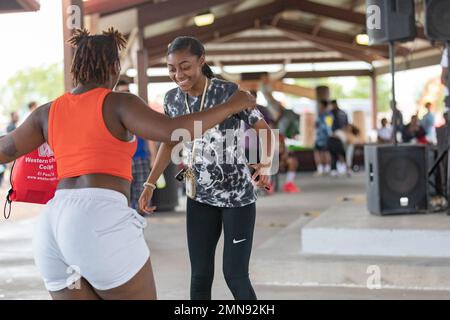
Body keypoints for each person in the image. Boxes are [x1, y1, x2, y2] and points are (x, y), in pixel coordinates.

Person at [0, 28, 255, 300]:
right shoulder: (118, 103)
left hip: (52, 227)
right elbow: (173, 132)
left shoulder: (47, 111)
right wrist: (231, 105)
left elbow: (6, 149)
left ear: (77, 66)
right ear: (113, 66)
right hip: (97, 219)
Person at [138, 36, 273, 300]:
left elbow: (263, 129)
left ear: (202, 61)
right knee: (200, 276)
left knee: (235, 275)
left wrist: (265, 162)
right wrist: (150, 183)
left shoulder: (228, 92)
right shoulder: (172, 99)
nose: (178, 74)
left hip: (237, 198)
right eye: (172, 68)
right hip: (198, 197)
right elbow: (169, 142)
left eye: (185, 66)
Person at [115, 80, 158, 210]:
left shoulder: (138, 109)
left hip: (140, 158)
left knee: (142, 197)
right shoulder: (111, 111)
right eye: (122, 91)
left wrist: (154, 159)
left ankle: (138, 222)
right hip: (121, 159)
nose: (125, 94)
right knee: (123, 198)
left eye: (127, 91)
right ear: (115, 92)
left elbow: (150, 135)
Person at [314, 100, 332, 176]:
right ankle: (323, 169)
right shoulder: (322, 114)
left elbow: (328, 127)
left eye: (320, 106)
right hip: (320, 137)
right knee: (321, 152)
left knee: (325, 153)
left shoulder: (327, 115)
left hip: (324, 137)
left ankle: (324, 169)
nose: (319, 107)